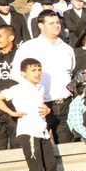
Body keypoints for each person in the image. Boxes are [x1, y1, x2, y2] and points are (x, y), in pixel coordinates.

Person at [0, 58, 64, 171]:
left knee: (50, 165)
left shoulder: (40, 88)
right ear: (23, 73)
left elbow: (40, 105)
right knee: (36, 169)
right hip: (29, 132)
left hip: (42, 131)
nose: (37, 73)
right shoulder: (19, 88)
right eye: (33, 70)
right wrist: (11, 113)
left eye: (39, 70)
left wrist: (47, 110)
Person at [12, 9, 76, 145]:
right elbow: (17, 74)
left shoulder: (67, 49)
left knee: (67, 146)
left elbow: (70, 72)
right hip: (41, 105)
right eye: (51, 23)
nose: (56, 26)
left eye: (58, 22)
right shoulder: (29, 47)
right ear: (40, 25)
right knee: (40, 146)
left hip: (65, 104)